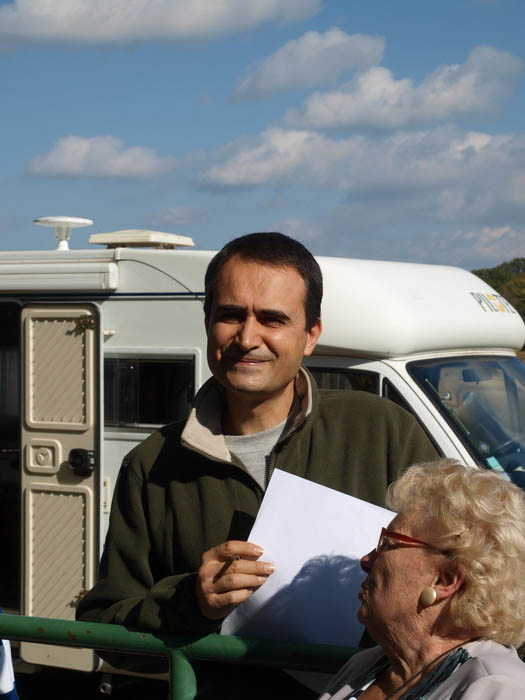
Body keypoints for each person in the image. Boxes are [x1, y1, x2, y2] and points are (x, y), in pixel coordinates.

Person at [77, 232, 438, 698]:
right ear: (207, 322)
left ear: (311, 335)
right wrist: (191, 601)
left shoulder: (384, 430)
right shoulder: (150, 465)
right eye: (230, 315)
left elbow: (470, 573)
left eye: (272, 319)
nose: (247, 338)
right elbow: (107, 632)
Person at [320, 459, 525, 700]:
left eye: (387, 543)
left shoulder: (496, 689)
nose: (366, 560)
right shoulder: (364, 666)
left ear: (444, 581)